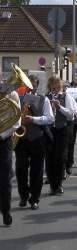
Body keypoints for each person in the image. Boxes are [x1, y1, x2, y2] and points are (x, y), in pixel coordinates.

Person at [15, 75, 54, 210]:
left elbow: (49, 119)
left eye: (33, 84)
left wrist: (33, 119)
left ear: (37, 85)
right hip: (21, 138)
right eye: (28, 84)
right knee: (20, 169)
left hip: (37, 138)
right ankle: (23, 196)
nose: (31, 87)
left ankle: (34, 199)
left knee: (37, 171)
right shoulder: (17, 98)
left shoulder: (44, 99)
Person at [46, 77, 76, 195]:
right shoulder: (45, 97)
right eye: (53, 86)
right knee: (49, 159)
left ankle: (58, 185)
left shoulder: (66, 97)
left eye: (58, 86)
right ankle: (52, 185)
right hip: (49, 131)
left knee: (60, 158)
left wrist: (60, 108)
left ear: (61, 86)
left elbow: (71, 115)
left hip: (61, 130)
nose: (56, 88)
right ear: (50, 86)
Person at [0, 89, 21, 226]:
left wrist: (1, 135)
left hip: (3, 140)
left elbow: (17, 121)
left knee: (4, 178)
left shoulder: (12, 94)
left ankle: (6, 210)